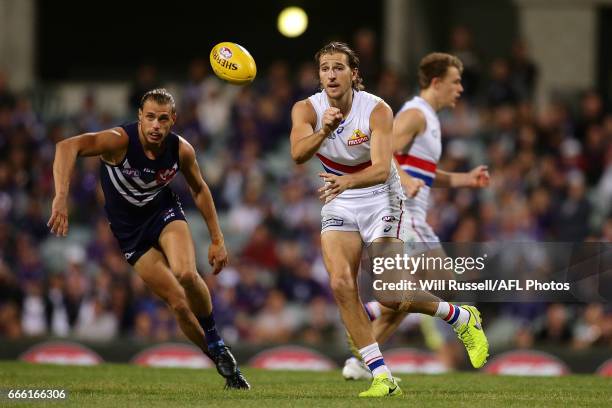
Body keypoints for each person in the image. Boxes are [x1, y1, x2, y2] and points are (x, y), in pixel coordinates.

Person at [47, 88, 250, 390]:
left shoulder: (181, 150)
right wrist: (61, 197)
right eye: (151, 117)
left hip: (163, 213)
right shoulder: (119, 141)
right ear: (140, 117)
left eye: (163, 119)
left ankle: (214, 335)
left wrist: (217, 238)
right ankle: (220, 357)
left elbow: (199, 189)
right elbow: (66, 146)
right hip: (130, 233)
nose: (156, 125)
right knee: (178, 303)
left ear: (173, 120)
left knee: (186, 273)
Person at [342, 53, 490, 380]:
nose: (460, 89)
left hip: (408, 213)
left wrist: (465, 179)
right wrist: (405, 180)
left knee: (404, 297)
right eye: (455, 82)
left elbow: (423, 170)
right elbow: (380, 150)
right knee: (445, 283)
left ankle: (362, 359)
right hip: (402, 212)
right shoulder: (414, 114)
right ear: (436, 83)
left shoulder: (430, 119)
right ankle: (372, 310)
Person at [290, 41, 404, 397]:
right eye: (325, 68)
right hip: (340, 198)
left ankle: (459, 316)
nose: (331, 75)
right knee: (341, 283)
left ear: (354, 74)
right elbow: (297, 154)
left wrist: (347, 181)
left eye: (338, 67)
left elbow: (383, 168)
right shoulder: (307, 109)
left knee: (391, 296)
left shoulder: (377, 110)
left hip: (379, 195)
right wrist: (323, 130)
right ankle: (381, 375)